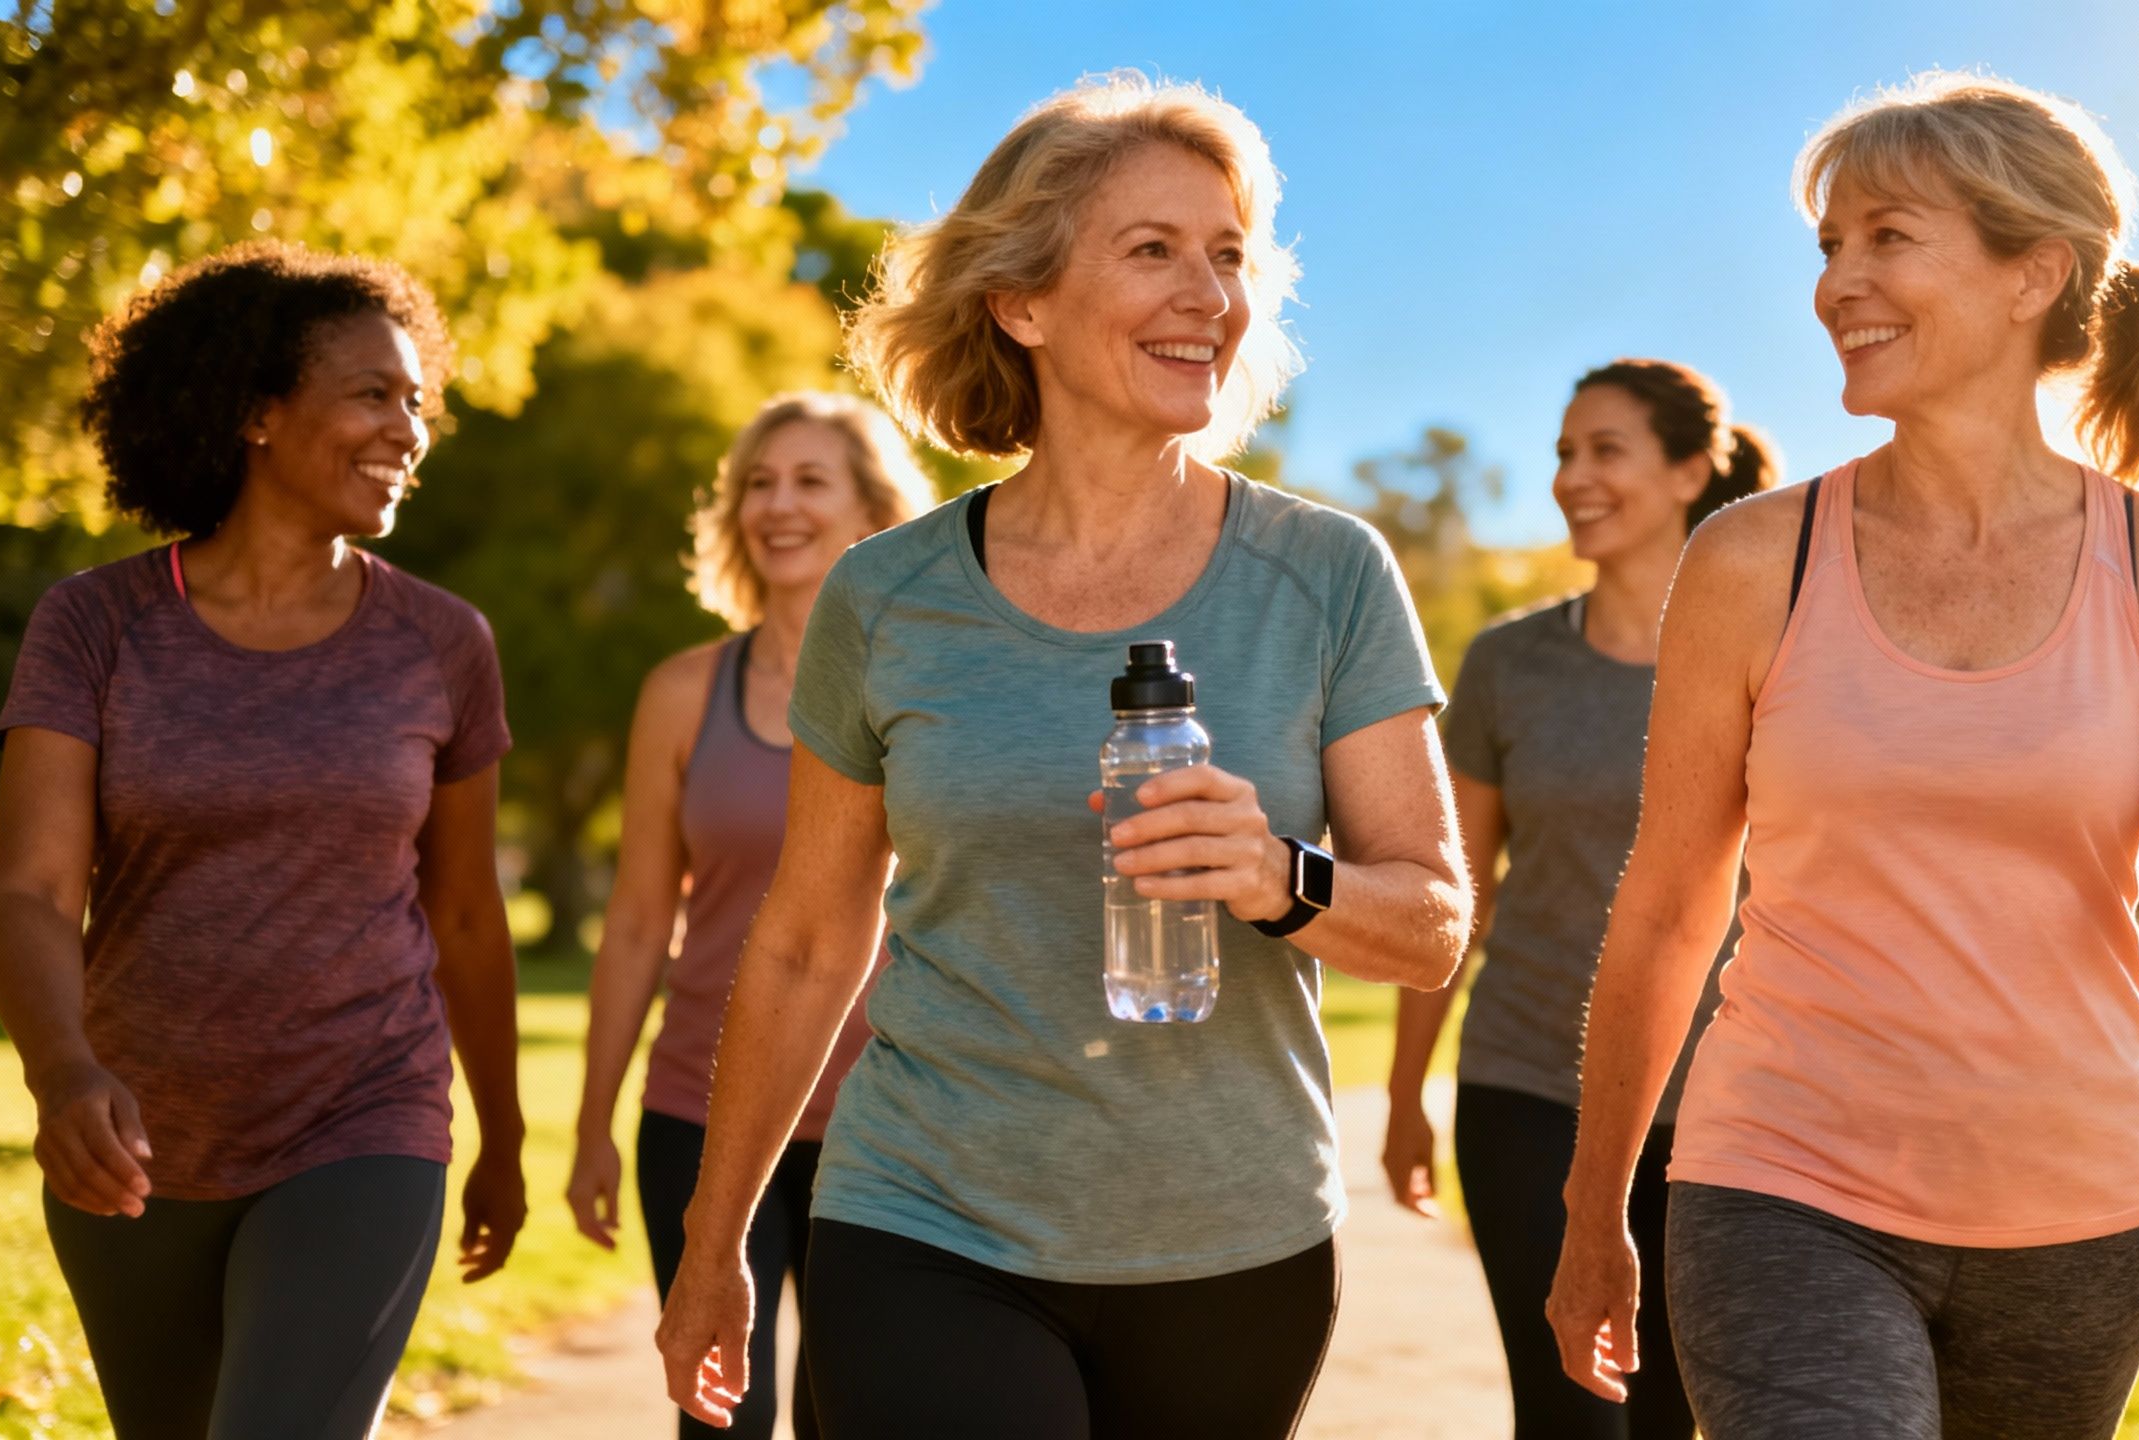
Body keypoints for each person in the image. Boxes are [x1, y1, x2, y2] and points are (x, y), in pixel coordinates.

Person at [653, 73, 1470, 1438]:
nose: (1208, 295)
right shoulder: (887, 595)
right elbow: (804, 941)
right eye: (1152, 251)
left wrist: (1281, 877)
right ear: (1021, 302)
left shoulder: (1326, 573)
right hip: (925, 1211)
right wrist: (716, 1236)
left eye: (1228, 257)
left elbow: (1432, 923)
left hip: (1232, 1239)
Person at [1547, 71, 2139, 1439]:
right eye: (1829, 247)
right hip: (1781, 1179)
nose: (1839, 282)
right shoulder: (1749, 562)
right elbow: (1667, 904)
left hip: (2075, 1208)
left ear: (2035, 275)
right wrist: (1597, 1202)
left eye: (1887, 237)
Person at [0, 240, 525, 1439]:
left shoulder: (441, 644)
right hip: (133, 1136)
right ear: (258, 414)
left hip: (365, 1116)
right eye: (372, 395)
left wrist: (503, 1135)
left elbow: (468, 913)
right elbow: (29, 887)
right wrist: (62, 1070)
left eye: (417, 400)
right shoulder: (97, 625)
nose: (408, 429)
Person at [1384, 359, 1775, 1438]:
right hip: (1528, 1087)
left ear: (1692, 468)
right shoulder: (1510, 664)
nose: (1572, 477)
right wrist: (1410, 1088)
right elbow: (1451, 895)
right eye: (1563, 452)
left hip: (1719, 1103)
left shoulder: (1776, 656)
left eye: (1606, 450)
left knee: (1670, 1419)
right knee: (1566, 1412)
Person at [567, 392, 931, 1440]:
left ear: (872, 512)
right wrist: (593, 1120)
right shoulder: (683, 693)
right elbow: (639, 922)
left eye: (811, 481)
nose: (777, 505)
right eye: (758, 484)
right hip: (699, 1112)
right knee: (719, 1415)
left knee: (857, 1413)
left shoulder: (924, 690)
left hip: (890, 1117)